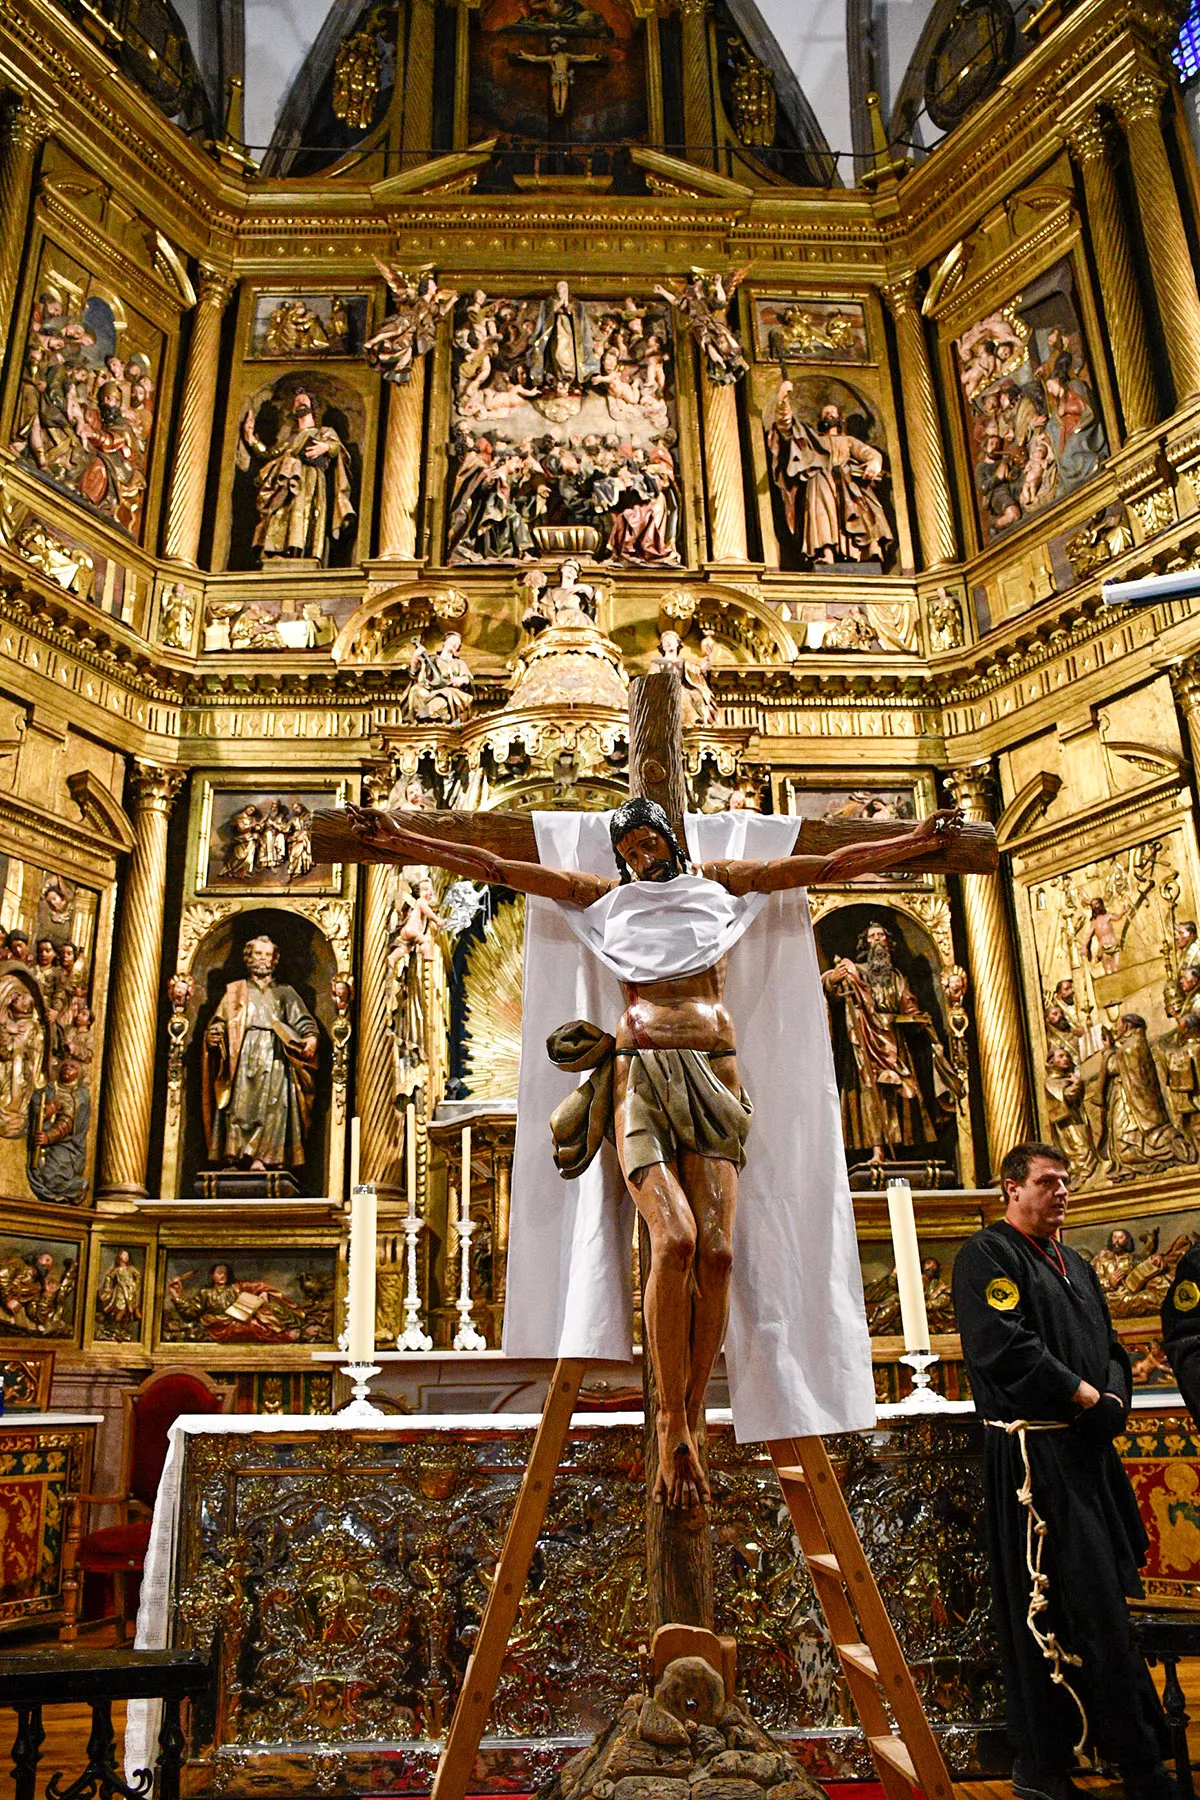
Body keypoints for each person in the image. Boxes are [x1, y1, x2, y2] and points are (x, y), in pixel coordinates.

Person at [347, 792, 966, 1508]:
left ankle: (693, 1412)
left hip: (715, 1072)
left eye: (648, 843)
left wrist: (916, 842)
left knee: (719, 1252)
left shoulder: (721, 883)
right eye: (629, 850)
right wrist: (400, 838)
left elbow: (824, 864)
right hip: (640, 1077)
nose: (641, 857)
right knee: (672, 1241)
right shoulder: (604, 900)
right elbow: (494, 864)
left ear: (670, 837)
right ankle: (670, 1416)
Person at [952, 1143, 1170, 1800]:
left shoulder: (1074, 1261)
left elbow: (1111, 1349)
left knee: (1105, 1608)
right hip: (1033, 1462)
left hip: (1083, 1454)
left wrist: (1111, 1397)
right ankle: (1050, 1763)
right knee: (1053, 1609)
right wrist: (1082, 1396)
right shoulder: (987, 1257)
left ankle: (1127, 1753)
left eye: (1067, 1181)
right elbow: (1004, 1344)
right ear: (1011, 1189)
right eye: (1048, 1182)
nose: (1063, 1192)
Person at [202, 936, 319, 1171]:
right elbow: (220, 1021)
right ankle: (235, 1156)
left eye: (267, 955)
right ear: (248, 958)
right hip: (242, 1052)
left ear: (274, 960)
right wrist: (214, 1034)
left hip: (274, 1054)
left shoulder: (285, 992)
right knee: (239, 1106)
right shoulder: (235, 991)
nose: (263, 959)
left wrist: (310, 1038)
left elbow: (303, 1020)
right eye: (258, 954)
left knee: (274, 1108)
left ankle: (264, 1158)